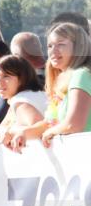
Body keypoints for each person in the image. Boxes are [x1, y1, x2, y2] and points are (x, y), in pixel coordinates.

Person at [6, 22, 91, 151]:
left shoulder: (81, 75)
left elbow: (74, 125)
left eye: (61, 44)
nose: (53, 51)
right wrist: (24, 133)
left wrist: (49, 133)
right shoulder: (61, 80)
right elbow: (49, 123)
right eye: (50, 46)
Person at [0, 55, 47, 144]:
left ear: (22, 78)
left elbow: (42, 129)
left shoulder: (20, 101)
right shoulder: (23, 98)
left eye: (6, 76)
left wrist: (12, 131)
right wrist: (5, 131)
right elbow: (0, 129)